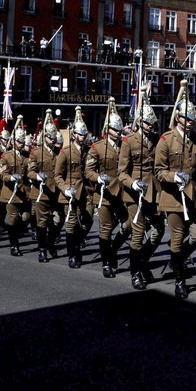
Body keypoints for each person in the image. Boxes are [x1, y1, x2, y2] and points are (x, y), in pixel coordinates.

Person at [155, 89, 196, 299]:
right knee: (177, 237)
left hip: (194, 195)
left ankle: (176, 258)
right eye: (186, 119)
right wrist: (172, 177)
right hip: (174, 197)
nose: (190, 123)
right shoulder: (166, 140)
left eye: (192, 120)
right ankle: (179, 279)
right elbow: (158, 171)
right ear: (178, 118)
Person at [118, 99, 164, 290]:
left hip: (153, 192)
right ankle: (135, 272)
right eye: (146, 123)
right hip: (134, 194)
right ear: (139, 122)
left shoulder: (155, 140)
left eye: (151, 124)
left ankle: (142, 261)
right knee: (137, 233)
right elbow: (121, 172)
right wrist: (132, 183)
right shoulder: (129, 141)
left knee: (158, 230)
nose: (149, 127)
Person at [86, 99, 129, 279]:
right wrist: (98, 178)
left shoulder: (125, 145)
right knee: (105, 228)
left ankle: (113, 249)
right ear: (107, 130)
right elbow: (88, 170)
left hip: (122, 193)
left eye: (119, 130)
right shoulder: (97, 147)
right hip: (104, 193)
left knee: (127, 226)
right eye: (114, 130)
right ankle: (106, 262)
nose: (117, 133)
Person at [55, 107, 93, 268]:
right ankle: (73, 254)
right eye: (80, 134)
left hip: (86, 193)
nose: (83, 137)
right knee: (71, 225)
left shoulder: (88, 150)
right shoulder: (65, 152)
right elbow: (57, 176)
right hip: (70, 193)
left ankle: (77, 243)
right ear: (74, 135)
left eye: (84, 134)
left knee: (88, 221)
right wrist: (65, 189)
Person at [27, 115, 62, 263]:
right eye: (50, 138)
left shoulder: (59, 153)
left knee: (57, 221)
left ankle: (50, 244)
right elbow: (30, 172)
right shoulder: (36, 152)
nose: (53, 140)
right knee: (42, 223)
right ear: (45, 137)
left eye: (54, 138)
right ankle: (42, 250)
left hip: (56, 193)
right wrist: (37, 176)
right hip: (41, 193)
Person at [0, 119, 30, 256]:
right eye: (19, 141)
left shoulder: (27, 156)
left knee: (26, 218)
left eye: (23, 142)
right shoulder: (6, 156)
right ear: (14, 141)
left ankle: (12, 229)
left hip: (24, 192)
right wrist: (11, 178)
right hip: (11, 192)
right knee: (12, 218)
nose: (21, 144)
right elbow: (3, 174)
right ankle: (14, 245)